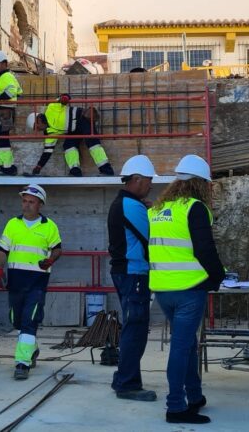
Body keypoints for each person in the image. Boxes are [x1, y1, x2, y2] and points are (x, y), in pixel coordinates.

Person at [148, 154, 225, 424]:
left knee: (188, 343)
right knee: (181, 347)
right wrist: (218, 276)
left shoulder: (156, 211)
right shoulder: (195, 208)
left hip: (162, 290)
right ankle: (175, 407)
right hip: (189, 289)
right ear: (201, 184)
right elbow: (205, 249)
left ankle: (194, 395)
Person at [0, 184, 62, 380]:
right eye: (24, 201)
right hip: (16, 282)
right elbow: (2, 250)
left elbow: (57, 249)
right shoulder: (12, 224)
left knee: (29, 321)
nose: (26, 205)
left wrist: (50, 260)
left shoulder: (49, 226)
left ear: (40, 204)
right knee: (16, 320)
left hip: (37, 282)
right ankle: (31, 347)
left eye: (31, 202)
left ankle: (22, 364)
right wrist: (0, 267)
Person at [107, 155, 157, 402]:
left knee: (132, 326)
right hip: (133, 273)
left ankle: (122, 378)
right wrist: (153, 212)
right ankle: (128, 385)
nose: (150, 185)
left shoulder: (124, 203)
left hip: (126, 272)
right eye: (148, 181)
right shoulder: (131, 206)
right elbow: (153, 236)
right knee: (135, 329)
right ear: (136, 180)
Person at [25, 94, 115, 177]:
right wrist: (39, 166)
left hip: (83, 119)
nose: (38, 130)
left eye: (36, 127)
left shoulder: (51, 108)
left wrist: (64, 98)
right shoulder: (50, 133)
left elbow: (64, 97)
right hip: (74, 130)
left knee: (92, 142)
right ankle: (75, 172)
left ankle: (107, 170)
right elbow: (47, 152)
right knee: (68, 146)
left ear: (39, 119)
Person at [0, 50, 22, 175]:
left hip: (4, 112)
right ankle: (6, 167)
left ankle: (7, 167)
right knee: (1, 139)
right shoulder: (6, 77)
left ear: (4, 63)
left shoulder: (6, 76)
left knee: (2, 139)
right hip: (4, 111)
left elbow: (12, 92)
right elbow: (19, 92)